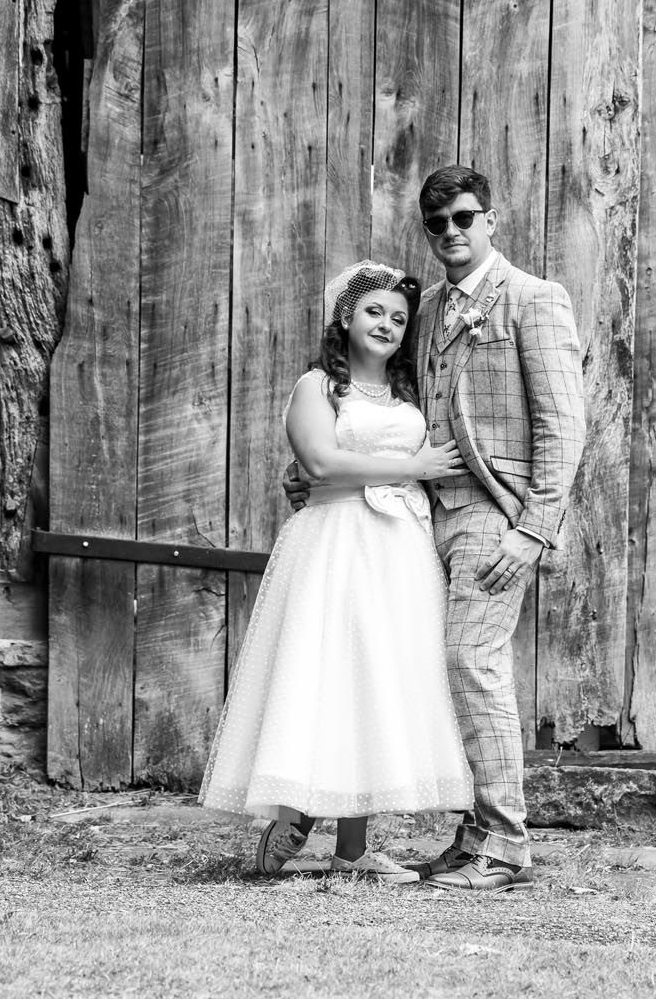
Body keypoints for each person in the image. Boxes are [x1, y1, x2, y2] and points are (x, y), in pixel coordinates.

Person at [285, 165, 586, 893]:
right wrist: (311, 478)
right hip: (422, 520)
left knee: (471, 662)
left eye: (463, 217)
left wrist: (534, 528)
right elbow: (387, 408)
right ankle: (472, 835)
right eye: (437, 223)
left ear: (491, 220)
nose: (451, 231)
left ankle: (505, 846)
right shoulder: (426, 315)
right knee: (435, 672)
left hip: (492, 512)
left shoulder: (533, 300)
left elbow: (564, 425)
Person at [199, 261, 474, 883]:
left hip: (400, 548)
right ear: (346, 317)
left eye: (399, 319)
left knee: (377, 682)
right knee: (324, 673)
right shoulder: (318, 386)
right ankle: (295, 811)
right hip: (335, 542)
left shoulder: (408, 397)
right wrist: (412, 467)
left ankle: (353, 848)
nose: (387, 325)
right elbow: (320, 464)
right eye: (374, 312)